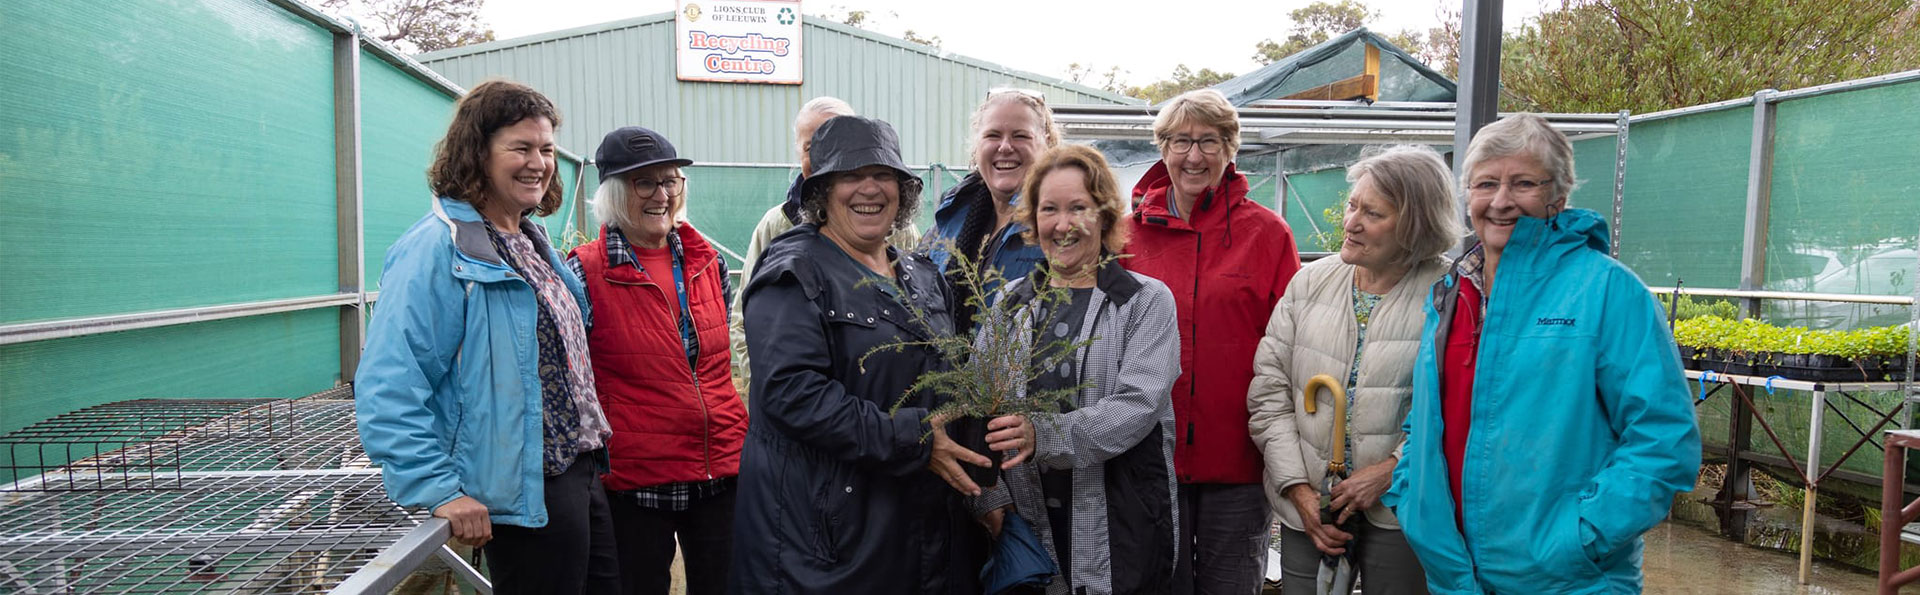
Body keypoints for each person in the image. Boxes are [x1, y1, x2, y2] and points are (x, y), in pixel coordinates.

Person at [1384, 114, 1702, 594]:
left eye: (1524, 183)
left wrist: (1580, 538)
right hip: (1455, 576)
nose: (1501, 201)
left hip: (1567, 577)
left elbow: (1663, 438)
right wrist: (1413, 497)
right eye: (1485, 183)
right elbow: (1428, 417)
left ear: (1559, 194)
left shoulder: (1607, 291)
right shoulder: (1451, 294)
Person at [354, 79, 617, 592]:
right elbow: (391, 380)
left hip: (577, 471)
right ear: (477, 154)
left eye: (545, 149)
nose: (537, 162)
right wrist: (437, 488)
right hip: (521, 488)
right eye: (519, 147)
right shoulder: (437, 249)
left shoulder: (530, 240)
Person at [730, 115, 1006, 593]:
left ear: (903, 191)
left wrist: (983, 487)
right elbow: (792, 394)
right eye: (850, 176)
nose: (869, 189)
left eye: (883, 175)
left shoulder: (922, 275)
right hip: (824, 539)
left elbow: (949, 385)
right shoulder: (794, 274)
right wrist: (915, 439)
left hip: (915, 528)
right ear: (820, 192)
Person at [1247, 146, 1462, 595]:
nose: (1350, 223)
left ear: (1415, 225)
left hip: (1402, 510)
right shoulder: (1310, 281)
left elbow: (1461, 406)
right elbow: (1268, 394)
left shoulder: (1450, 294)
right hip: (1311, 509)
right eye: (1351, 206)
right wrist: (1298, 492)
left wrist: (1391, 470)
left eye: (1373, 213)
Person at [968, 144, 1182, 595]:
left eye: (1078, 208)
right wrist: (989, 496)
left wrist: (1041, 434)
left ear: (1104, 215)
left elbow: (1137, 406)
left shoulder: (1144, 301)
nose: (1062, 225)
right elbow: (975, 401)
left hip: (1122, 518)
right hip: (1027, 520)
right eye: (1049, 209)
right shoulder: (1010, 304)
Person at [1121, 88, 1302, 595]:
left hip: (1239, 458)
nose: (1194, 156)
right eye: (1180, 141)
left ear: (1231, 149)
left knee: (1231, 584)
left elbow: (1292, 341)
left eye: (1209, 142)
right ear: (1163, 149)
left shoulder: (1267, 234)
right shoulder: (1127, 237)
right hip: (1150, 455)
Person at [567, 127, 745, 595]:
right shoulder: (584, 271)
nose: (662, 194)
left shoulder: (709, 262)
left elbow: (710, 364)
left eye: (671, 181)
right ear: (613, 193)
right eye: (644, 182)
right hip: (636, 478)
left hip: (720, 468)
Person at [729, 98, 917, 397]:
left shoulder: (900, 229)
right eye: (810, 146)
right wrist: (760, 390)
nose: (825, 154)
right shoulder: (777, 226)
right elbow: (745, 322)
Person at [922, 87, 1062, 331]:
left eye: (1020, 136)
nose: (1005, 147)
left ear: (1046, 142)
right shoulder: (949, 219)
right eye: (993, 135)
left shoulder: (1062, 221)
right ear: (977, 145)